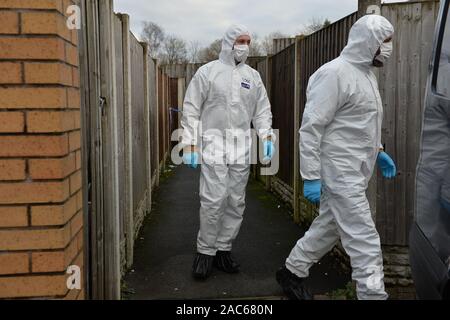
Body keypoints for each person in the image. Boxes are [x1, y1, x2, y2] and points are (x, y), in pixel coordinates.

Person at [276, 15, 397, 300]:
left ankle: (292, 271)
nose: (389, 48)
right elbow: (311, 128)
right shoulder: (334, 74)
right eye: (385, 42)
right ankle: (373, 295)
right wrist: (312, 176)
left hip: (356, 169)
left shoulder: (366, 75)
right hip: (339, 172)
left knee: (329, 227)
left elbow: (361, 124)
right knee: (365, 240)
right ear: (370, 42)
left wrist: (378, 151)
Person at [181, 24, 276, 280]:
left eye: (248, 41)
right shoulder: (208, 73)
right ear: (229, 42)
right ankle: (205, 251)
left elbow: (262, 110)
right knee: (213, 199)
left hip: (241, 148)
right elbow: (191, 108)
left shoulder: (252, 77)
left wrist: (266, 136)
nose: (244, 45)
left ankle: (224, 248)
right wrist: (189, 143)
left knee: (236, 200)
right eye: (240, 40)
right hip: (213, 145)